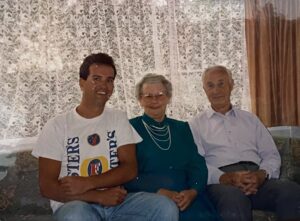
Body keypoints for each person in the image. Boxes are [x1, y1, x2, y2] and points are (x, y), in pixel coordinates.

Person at [32, 53, 179, 221]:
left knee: (164, 207)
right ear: (82, 83)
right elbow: (47, 187)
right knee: (75, 216)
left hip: (117, 202)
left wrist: (88, 183)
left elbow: (130, 168)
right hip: (76, 204)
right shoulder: (57, 126)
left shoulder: (118, 118)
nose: (104, 85)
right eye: (96, 78)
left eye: (109, 80)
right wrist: (96, 196)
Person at [189, 65, 300, 221]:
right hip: (222, 183)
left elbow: (271, 154)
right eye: (210, 85)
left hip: (256, 178)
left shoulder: (250, 119)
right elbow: (197, 164)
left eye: (221, 84)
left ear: (231, 85)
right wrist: (226, 177)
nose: (216, 90)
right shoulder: (195, 125)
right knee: (234, 198)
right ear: (204, 89)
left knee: (290, 190)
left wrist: (261, 174)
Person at [125, 74, 221, 221]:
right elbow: (125, 173)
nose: (155, 100)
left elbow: (197, 164)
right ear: (140, 100)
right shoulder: (129, 128)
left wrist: (193, 191)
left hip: (187, 197)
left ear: (168, 98)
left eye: (160, 95)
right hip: (150, 197)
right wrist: (157, 190)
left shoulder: (182, 128)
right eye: (148, 96)